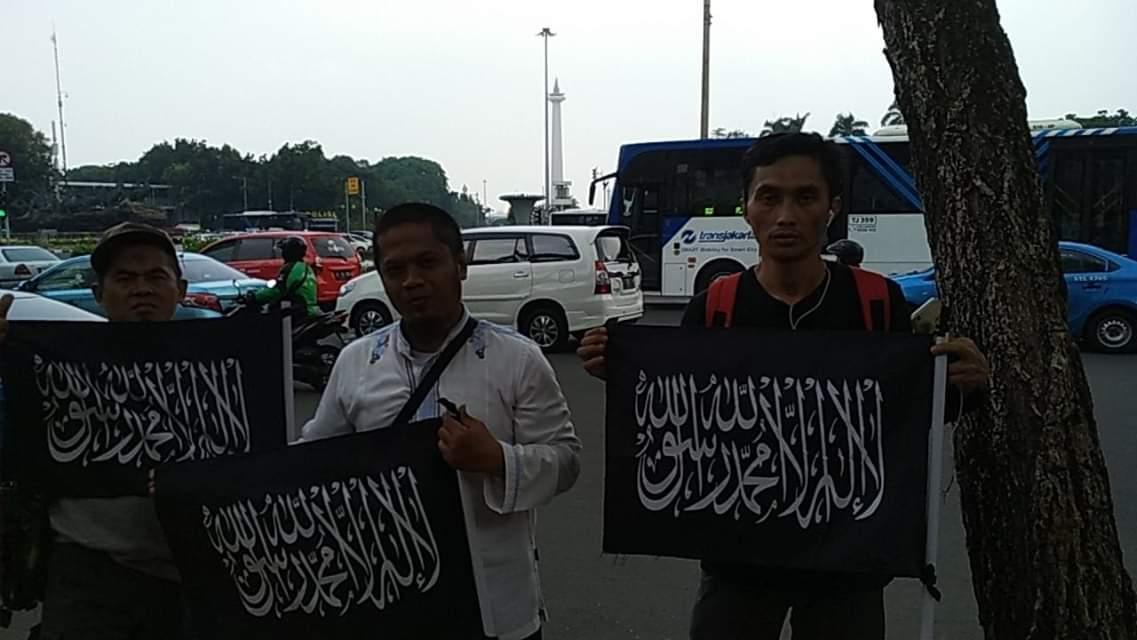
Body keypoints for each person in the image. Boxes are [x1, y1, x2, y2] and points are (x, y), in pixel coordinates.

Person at [577, 132, 990, 640]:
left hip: (848, 565)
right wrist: (622, 373)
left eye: (805, 197)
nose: (785, 215)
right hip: (738, 564)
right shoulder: (715, 306)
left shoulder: (876, 303)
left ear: (832, 208)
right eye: (769, 197)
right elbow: (678, 418)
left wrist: (965, 382)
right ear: (747, 209)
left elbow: (911, 412)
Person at [301, 202, 581, 640]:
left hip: (496, 601)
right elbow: (314, 459)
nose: (412, 281)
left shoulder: (517, 359)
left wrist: (497, 460)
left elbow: (565, 461)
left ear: (460, 265)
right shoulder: (357, 361)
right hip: (386, 597)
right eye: (395, 270)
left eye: (428, 262)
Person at [3, 223, 189, 639]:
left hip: (198, 571)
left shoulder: (229, 362)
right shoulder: (49, 365)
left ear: (181, 288)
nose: (141, 288)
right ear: (98, 292)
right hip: (89, 570)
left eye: (155, 276)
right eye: (124, 278)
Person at [248, 236, 320, 319]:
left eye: (283, 250)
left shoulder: (290, 268)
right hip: (310, 309)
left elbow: (277, 290)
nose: (282, 254)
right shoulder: (306, 267)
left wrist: (255, 297)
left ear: (289, 252)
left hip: (299, 313)